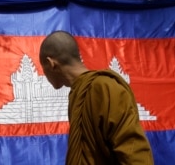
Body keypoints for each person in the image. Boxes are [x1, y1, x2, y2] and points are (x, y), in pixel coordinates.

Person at [39, 30, 154, 165]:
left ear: (51, 63)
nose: (45, 75)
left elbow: (133, 151)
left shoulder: (105, 88)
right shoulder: (77, 93)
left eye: (43, 68)